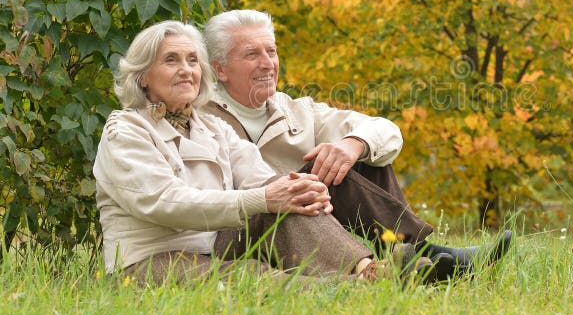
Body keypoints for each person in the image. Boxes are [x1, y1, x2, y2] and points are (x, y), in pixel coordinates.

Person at [93, 21, 431, 284]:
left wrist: (300, 190)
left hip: (214, 247)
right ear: (143, 78)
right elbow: (163, 201)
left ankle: (368, 269)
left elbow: (262, 180)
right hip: (150, 260)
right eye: (171, 60)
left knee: (288, 197)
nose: (186, 69)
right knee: (250, 276)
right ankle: (358, 287)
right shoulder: (125, 130)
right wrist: (267, 197)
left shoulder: (211, 128)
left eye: (192, 60)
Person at [202, 9, 512, 280]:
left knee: (358, 154)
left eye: (271, 51)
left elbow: (386, 131)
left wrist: (353, 144)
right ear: (220, 69)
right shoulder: (199, 115)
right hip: (236, 236)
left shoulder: (297, 111)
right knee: (305, 179)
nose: (267, 63)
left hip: (306, 233)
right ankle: (423, 255)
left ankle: (416, 256)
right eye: (252, 54)